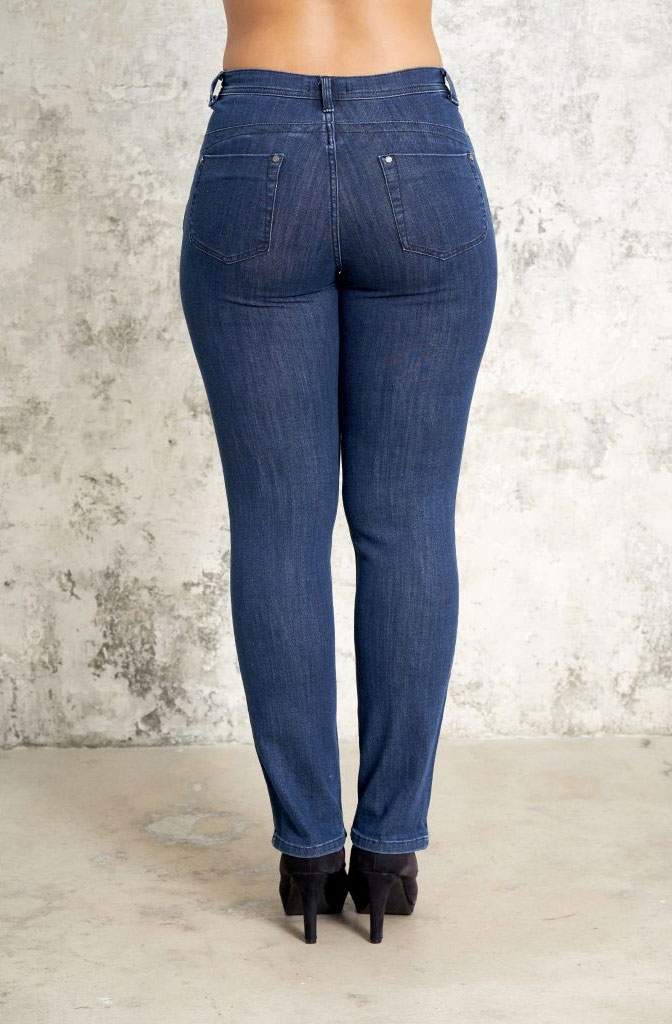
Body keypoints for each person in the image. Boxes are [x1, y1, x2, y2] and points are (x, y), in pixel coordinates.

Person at [179, 0, 498, 943]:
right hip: (416, 139)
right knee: (410, 523)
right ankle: (390, 853)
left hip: (257, 138)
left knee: (278, 529)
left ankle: (308, 855)